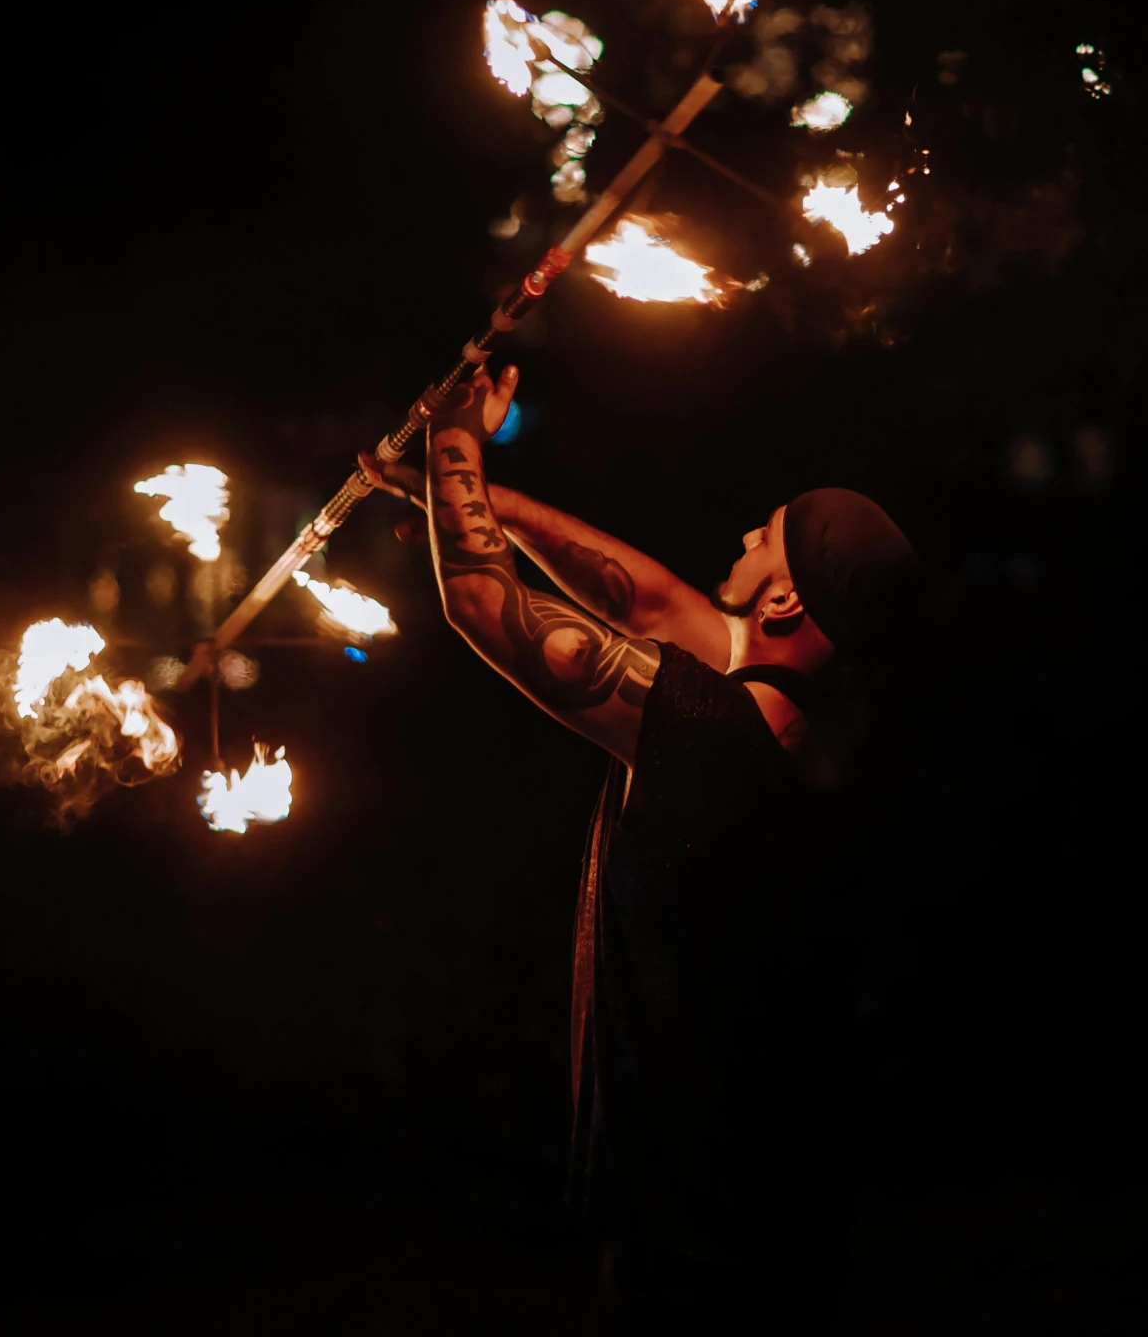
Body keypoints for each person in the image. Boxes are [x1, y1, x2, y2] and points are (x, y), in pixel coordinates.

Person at [358, 363, 919, 1333]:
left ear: (785, 604)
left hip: (703, 1212)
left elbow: (486, 610)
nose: (744, 532)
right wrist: (478, 501)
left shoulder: (720, 735)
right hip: (778, 1184)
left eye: (767, 535)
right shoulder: (826, 704)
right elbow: (650, 602)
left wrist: (455, 439)